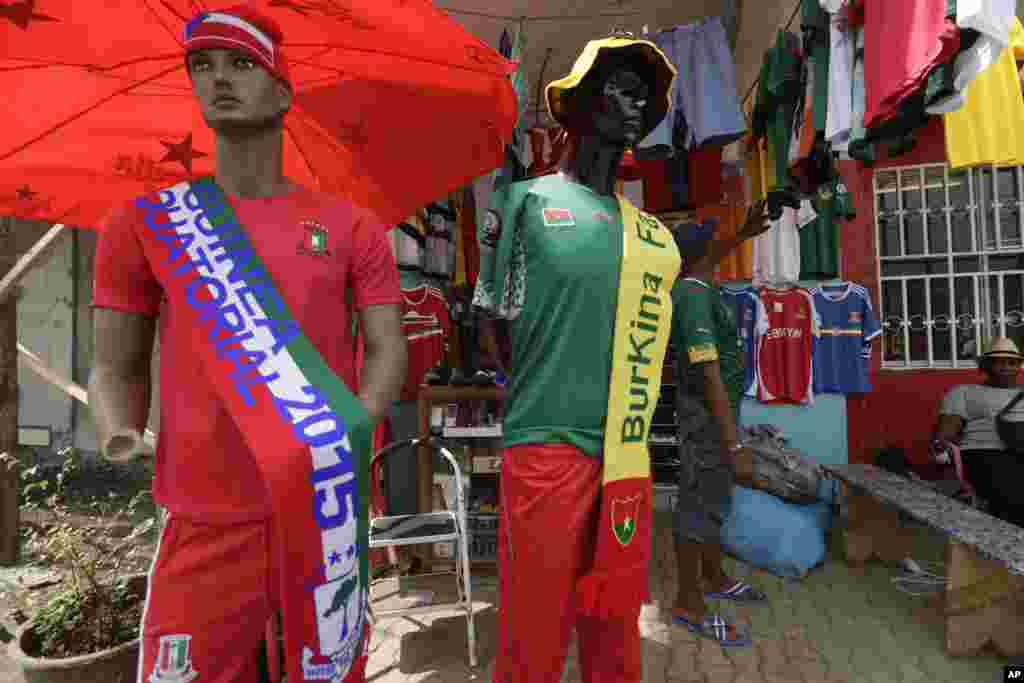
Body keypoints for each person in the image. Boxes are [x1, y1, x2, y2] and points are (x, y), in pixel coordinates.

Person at [87, 6, 406, 682]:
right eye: (201, 65)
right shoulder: (145, 225)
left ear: (284, 90)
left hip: (320, 517)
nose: (217, 78)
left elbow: (385, 347)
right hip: (203, 527)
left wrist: (357, 423)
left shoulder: (353, 228)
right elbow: (114, 362)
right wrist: (118, 426)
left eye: (241, 63)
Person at [474, 36, 680, 682]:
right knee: (533, 635)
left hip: (623, 453)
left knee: (614, 630)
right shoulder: (523, 203)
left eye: (641, 95)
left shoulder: (651, 235)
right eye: (618, 86)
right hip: (545, 447)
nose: (633, 101)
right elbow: (494, 334)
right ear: (579, 105)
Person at [667, 203, 774, 647]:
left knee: (714, 497)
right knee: (698, 503)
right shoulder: (692, 295)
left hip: (717, 412)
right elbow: (708, 371)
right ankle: (689, 603)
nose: (720, 240)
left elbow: (710, 252)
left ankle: (713, 576)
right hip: (706, 415)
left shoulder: (701, 280)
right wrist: (735, 445)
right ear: (702, 253)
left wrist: (744, 233)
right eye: (715, 238)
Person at [932, 337, 1024, 527]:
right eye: (999, 362)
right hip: (983, 451)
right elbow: (947, 431)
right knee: (1012, 490)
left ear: (1019, 367)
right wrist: (942, 445)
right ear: (986, 366)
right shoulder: (964, 392)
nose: (1006, 367)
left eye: (1011, 362)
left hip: (1020, 451)